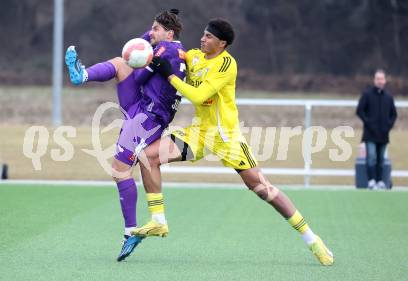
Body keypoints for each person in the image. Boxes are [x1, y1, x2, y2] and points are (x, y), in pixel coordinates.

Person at [132, 18, 334, 266]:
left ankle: (313, 240)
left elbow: (198, 95)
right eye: (203, 35)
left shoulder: (227, 65)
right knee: (147, 157)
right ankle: (158, 221)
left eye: (208, 37)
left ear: (222, 43)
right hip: (200, 134)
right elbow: (172, 49)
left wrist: (170, 76)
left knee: (263, 189)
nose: (202, 39)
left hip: (227, 138)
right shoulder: (193, 56)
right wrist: (157, 33)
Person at [64, 9, 186, 261]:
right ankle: (82, 75)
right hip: (142, 106)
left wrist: (142, 53)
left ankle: (129, 231)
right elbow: (139, 51)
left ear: (169, 33)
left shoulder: (166, 51)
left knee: (119, 170)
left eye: (156, 29)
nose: (151, 32)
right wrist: (148, 40)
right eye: (151, 28)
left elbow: (139, 71)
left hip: (148, 116)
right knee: (122, 61)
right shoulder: (173, 49)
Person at [356, 69, 398, 190]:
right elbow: (360, 110)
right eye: (378, 79)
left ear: (385, 80)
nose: (380, 81)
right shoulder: (367, 95)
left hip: (383, 134)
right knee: (371, 157)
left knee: (381, 159)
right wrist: (368, 123)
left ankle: (380, 181)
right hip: (370, 133)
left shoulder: (389, 97)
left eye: (382, 79)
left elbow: (393, 114)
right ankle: (371, 181)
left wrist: (388, 126)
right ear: (374, 80)